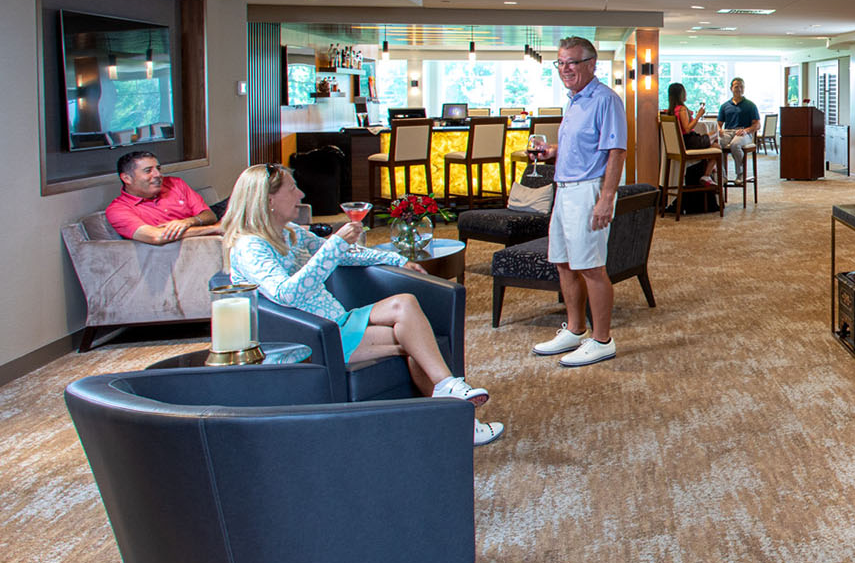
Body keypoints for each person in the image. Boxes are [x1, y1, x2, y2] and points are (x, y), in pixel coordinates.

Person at [222, 164, 503, 446]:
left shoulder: (290, 233)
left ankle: (447, 390)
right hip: (316, 336)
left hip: (337, 320)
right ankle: (460, 420)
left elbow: (345, 256)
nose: (301, 194)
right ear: (268, 199)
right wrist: (333, 246)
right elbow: (287, 294)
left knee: (405, 305)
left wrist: (397, 260)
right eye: (292, 188)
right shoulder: (250, 247)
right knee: (417, 343)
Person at [527, 36, 627, 367]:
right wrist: (553, 152)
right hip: (564, 188)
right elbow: (585, 146)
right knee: (564, 262)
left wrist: (606, 198)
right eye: (561, 62)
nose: (565, 68)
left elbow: (616, 152)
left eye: (572, 62)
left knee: (591, 267)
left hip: (588, 191)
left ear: (591, 64)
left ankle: (602, 340)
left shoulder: (605, 100)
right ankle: (574, 329)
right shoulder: (574, 100)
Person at [105, 151, 220, 244]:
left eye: (158, 169)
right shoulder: (118, 210)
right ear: (127, 178)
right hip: (189, 249)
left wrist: (188, 222)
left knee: (230, 203)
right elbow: (157, 236)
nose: (158, 174)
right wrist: (215, 229)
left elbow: (210, 216)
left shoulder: (175, 183)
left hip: (212, 236)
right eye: (148, 171)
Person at [715, 77, 760, 182]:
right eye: (736, 87)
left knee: (735, 145)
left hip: (744, 133)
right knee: (716, 144)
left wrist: (746, 130)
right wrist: (719, 129)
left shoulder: (750, 105)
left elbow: (757, 124)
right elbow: (718, 123)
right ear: (731, 88)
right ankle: (722, 176)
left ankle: (740, 174)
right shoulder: (724, 106)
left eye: (741, 87)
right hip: (728, 132)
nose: (739, 89)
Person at [665, 82, 712, 185]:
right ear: (681, 94)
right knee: (716, 137)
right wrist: (698, 116)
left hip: (682, 142)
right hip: (689, 141)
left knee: (716, 145)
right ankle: (708, 174)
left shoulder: (671, 110)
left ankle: (709, 173)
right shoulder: (682, 109)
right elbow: (687, 129)